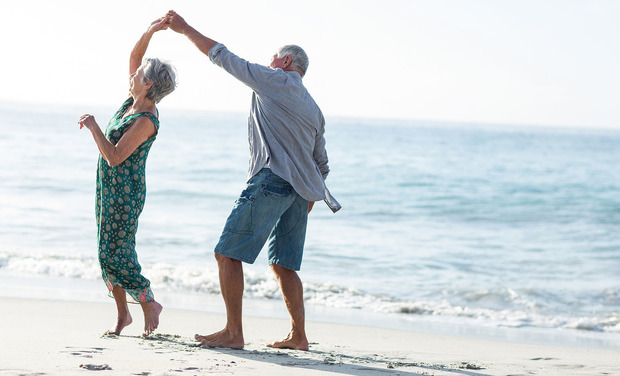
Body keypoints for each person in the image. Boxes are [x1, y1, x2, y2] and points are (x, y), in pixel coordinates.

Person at [165, 10, 341, 351]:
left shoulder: (275, 80)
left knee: (226, 254)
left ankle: (234, 333)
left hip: (272, 181)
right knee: (283, 264)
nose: (269, 61)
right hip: (301, 193)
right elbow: (322, 163)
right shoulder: (314, 107)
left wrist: (185, 29)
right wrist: (306, 198)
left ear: (286, 61)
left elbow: (224, 57)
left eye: (273, 57)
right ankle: (299, 336)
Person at [78, 17, 177, 337]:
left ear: (148, 84)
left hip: (125, 192)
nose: (132, 74)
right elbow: (135, 59)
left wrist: (93, 127)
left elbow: (116, 156)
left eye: (138, 74)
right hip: (107, 187)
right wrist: (150, 31)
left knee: (113, 252)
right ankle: (123, 316)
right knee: (105, 250)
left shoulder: (146, 117)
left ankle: (148, 302)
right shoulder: (131, 102)